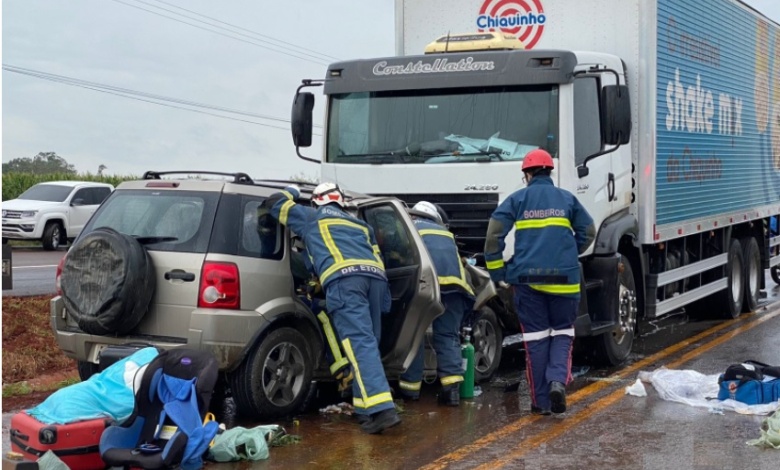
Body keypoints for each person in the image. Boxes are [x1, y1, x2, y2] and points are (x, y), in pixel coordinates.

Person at [263, 182, 400, 434]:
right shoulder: (362, 225)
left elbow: (274, 204)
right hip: (377, 281)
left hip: (346, 281)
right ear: (340, 201)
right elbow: (376, 256)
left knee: (358, 344)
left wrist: (292, 191)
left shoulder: (311, 217)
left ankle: (383, 410)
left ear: (316, 201)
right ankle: (366, 410)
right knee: (368, 344)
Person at [483, 149, 595, 415]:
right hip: (565, 283)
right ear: (550, 172)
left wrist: (499, 274)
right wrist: (568, 253)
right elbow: (588, 232)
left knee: (536, 340)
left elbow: (493, 237)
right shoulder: (567, 199)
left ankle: (541, 403)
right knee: (563, 334)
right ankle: (558, 380)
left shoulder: (518, 199)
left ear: (527, 174)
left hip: (528, 283)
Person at [398, 201, 475, 406]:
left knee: (414, 337)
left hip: (426, 287)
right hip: (455, 289)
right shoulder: (446, 234)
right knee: (448, 336)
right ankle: (452, 392)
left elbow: (399, 259)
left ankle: (410, 391)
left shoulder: (410, 230)